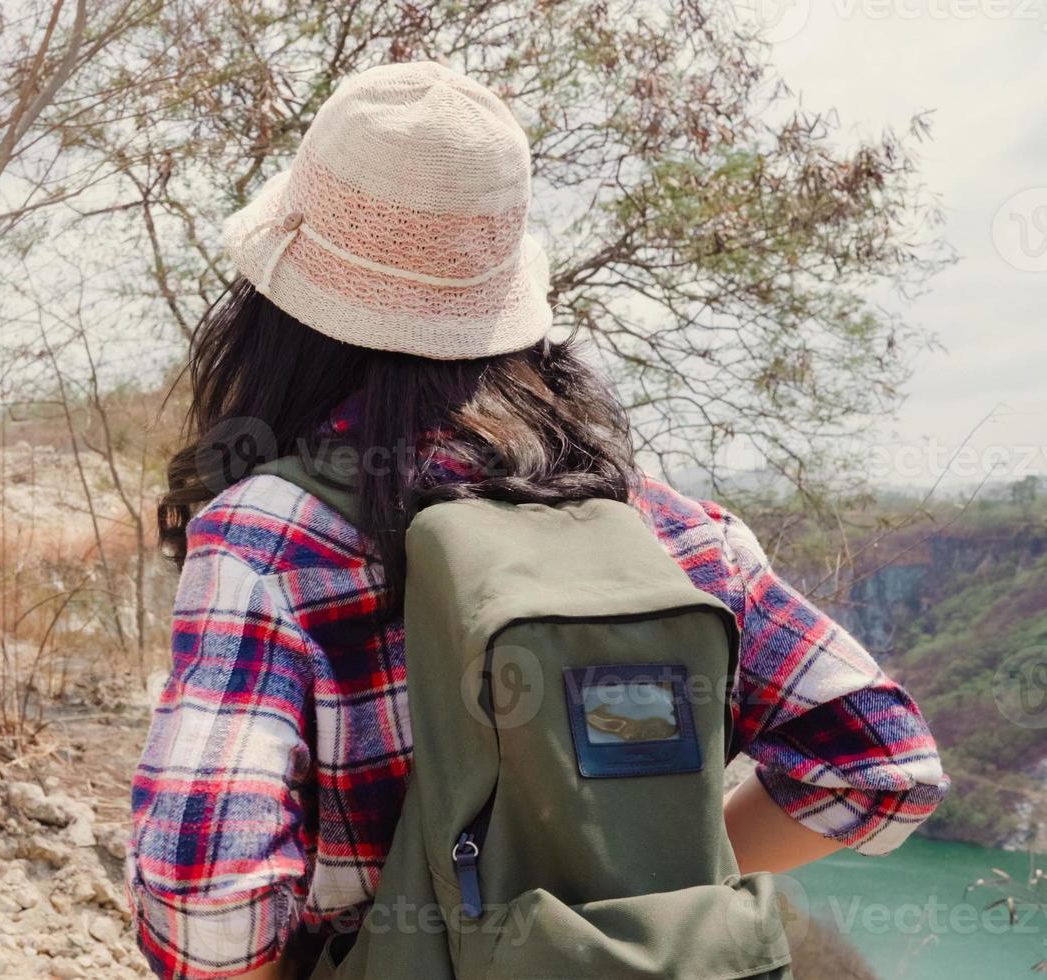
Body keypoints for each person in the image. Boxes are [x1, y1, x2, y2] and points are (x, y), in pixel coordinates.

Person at [127, 61, 946, 980]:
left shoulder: (271, 538)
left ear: (282, 308)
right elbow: (881, 766)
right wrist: (627, 887)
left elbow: (203, 901)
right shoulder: (666, 529)